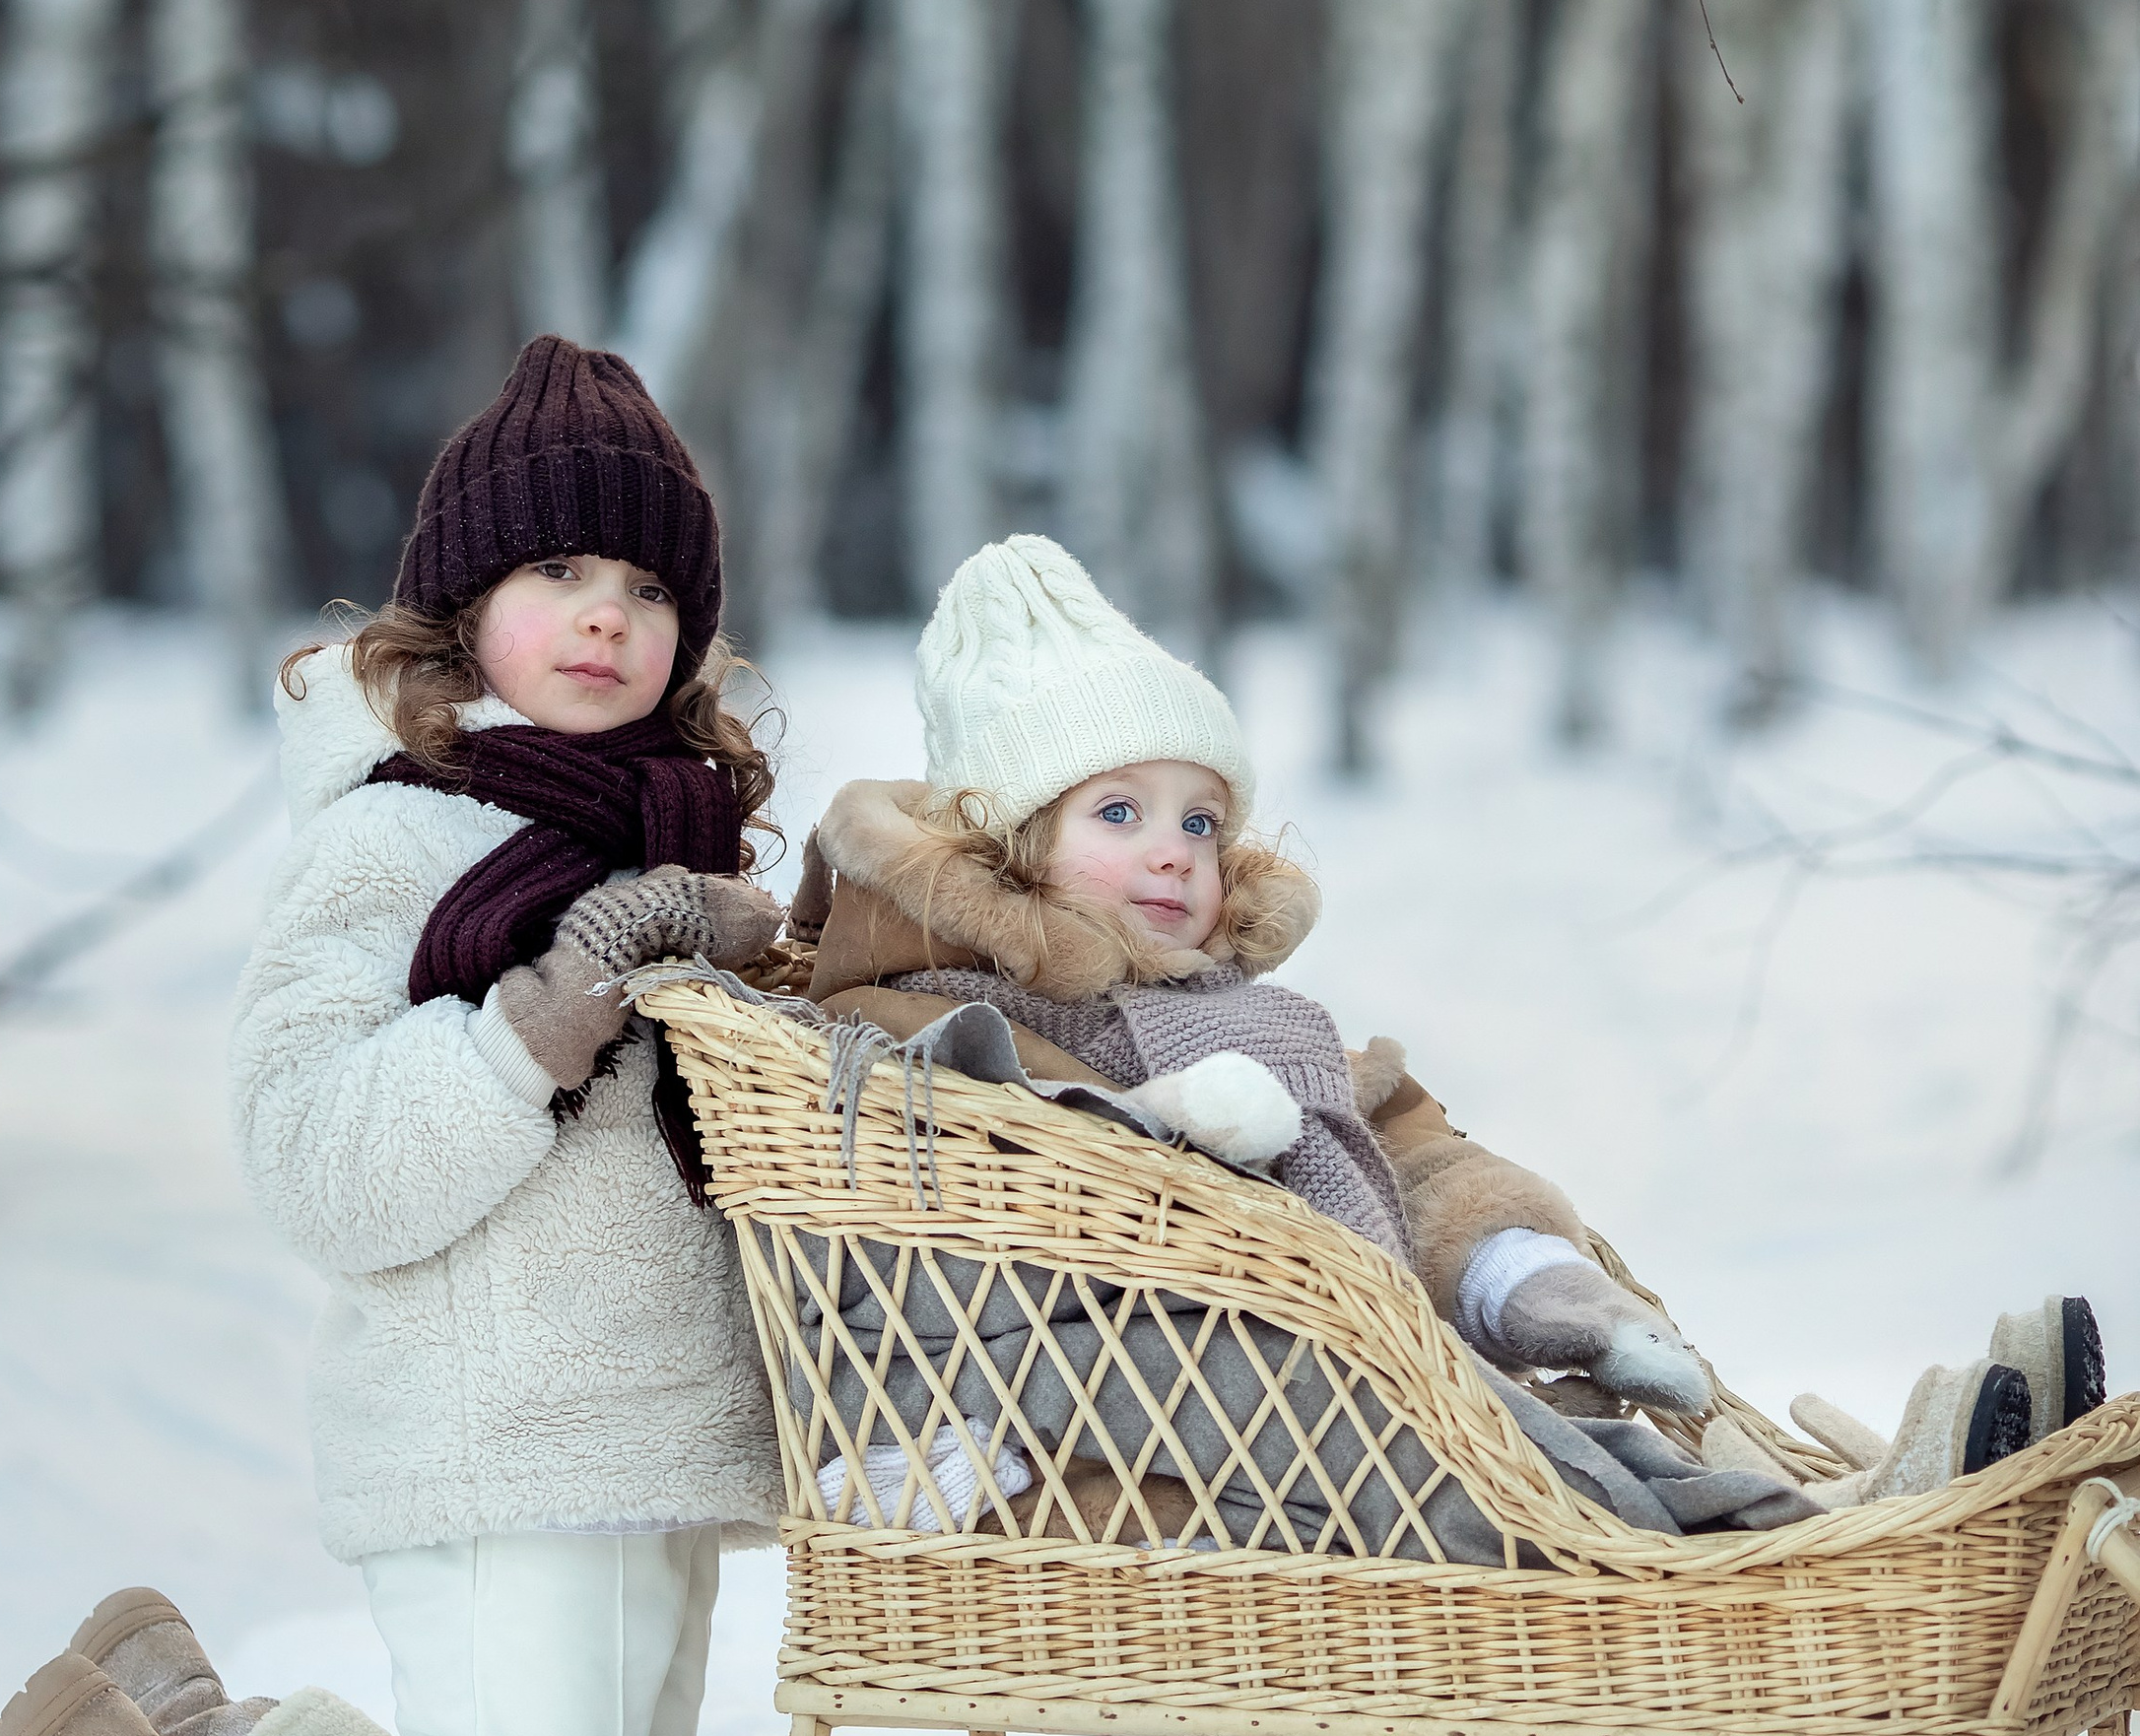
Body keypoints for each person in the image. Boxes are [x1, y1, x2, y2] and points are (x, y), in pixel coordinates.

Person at [0, 336, 787, 1736]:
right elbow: (309, 1152)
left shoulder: (682, 847)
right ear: (459, 610)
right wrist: (531, 1027)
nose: (608, 613)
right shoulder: (398, 833)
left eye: (651, 589)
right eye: (559, 567)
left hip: (661, 1436)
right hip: (504, 1432)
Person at [792, 536, 2103, 1534]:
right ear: (1012, 841)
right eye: (1118, 814)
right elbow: (991, 1147)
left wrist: (1538, 1284)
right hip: (1099, 1385)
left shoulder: (1246, 1013)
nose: (1174, 854)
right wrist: (1170, 1129)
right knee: (1469, 1448)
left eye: (1199, 821)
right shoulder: (940, 999)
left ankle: (1866, 1497)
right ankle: (1815, 1542)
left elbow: (1405, 1153)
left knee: (1555, 1410)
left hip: (1339, 1351)